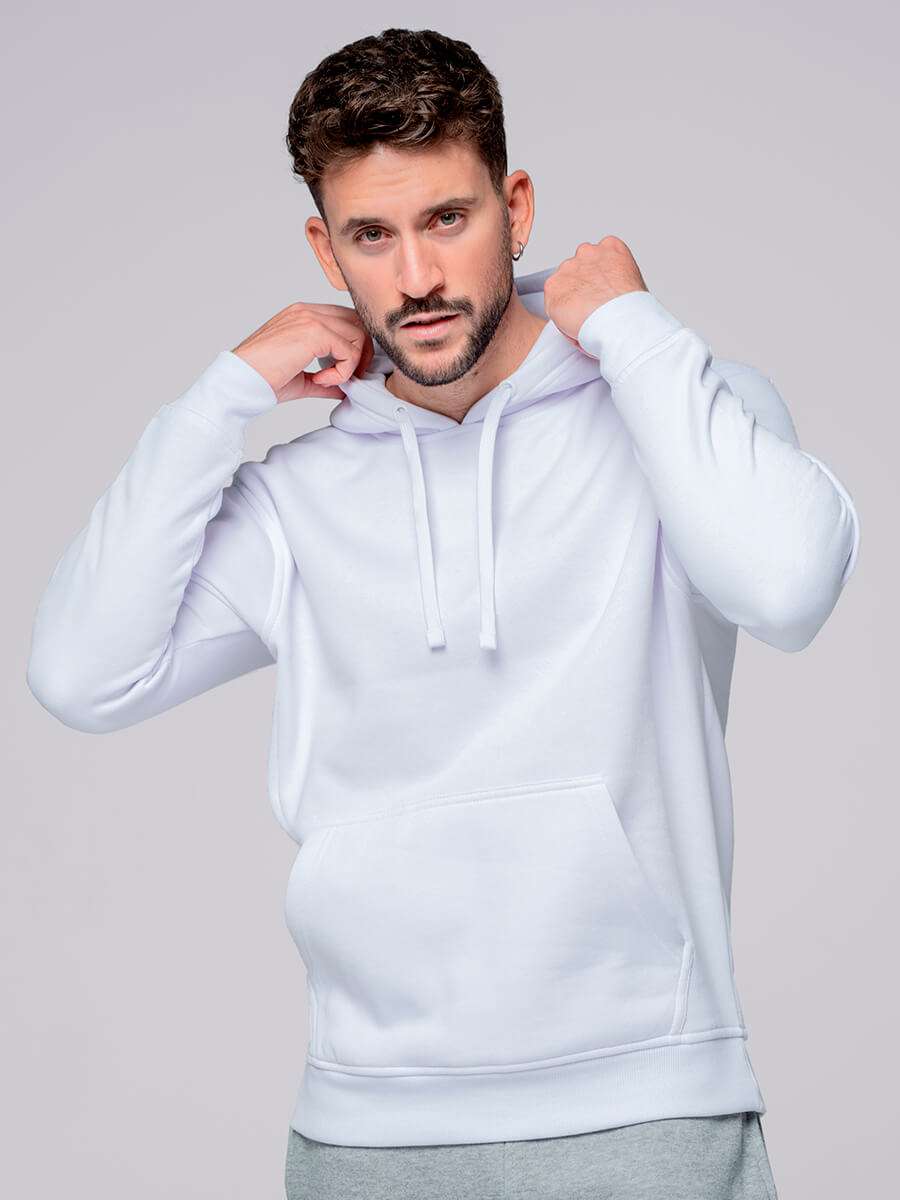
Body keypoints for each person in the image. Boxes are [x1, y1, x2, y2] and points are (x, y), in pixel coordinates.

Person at [27, 25, 858, 1200]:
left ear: (516, 209)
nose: (415, 276)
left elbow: (787, 588)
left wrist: (632, 328)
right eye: (372, 235)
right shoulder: (296, 503)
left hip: (648, 1100)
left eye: (447, 219)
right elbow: (81, 674)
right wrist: (221, 396)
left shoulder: (672, 412)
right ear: (326, 248)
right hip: (370, 1127)